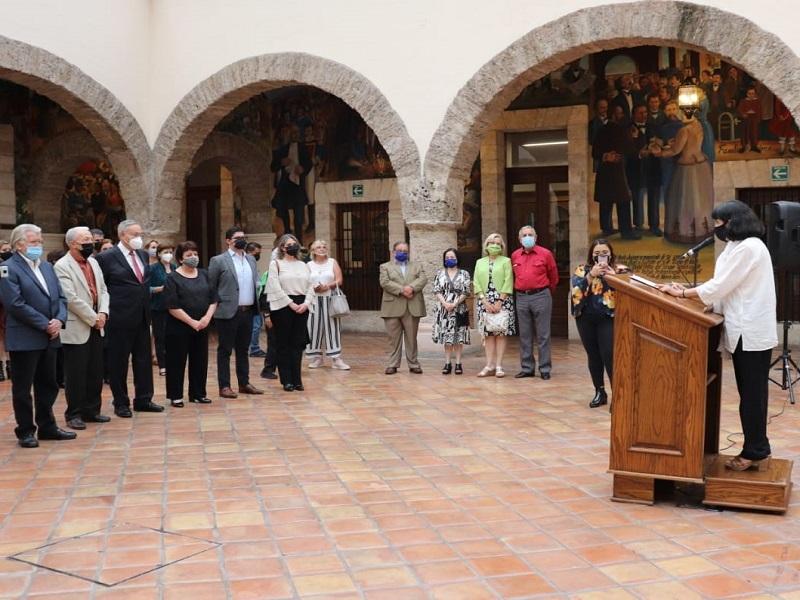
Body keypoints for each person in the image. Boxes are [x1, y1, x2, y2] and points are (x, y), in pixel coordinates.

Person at [658, 200, 777, 471]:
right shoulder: (736, 247)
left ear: (734, 222)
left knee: (752, 395)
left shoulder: (750, 247)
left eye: (719, 223)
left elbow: (721, 285)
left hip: (751, 332)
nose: (716, 228)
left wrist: (684, 293)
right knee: (749, 393)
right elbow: (725, 289)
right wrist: (698, 298)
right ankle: (756, 447)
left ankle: (756, 450)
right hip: (741, 330)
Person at [0, 224, 74, 447]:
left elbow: (61, 297)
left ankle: (47, 426)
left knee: (48, 384)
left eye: (40, 242)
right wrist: (45, 324)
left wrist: (59, 320)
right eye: (34, 242)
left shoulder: (47, 268)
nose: (39, 246)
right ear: (19, 244)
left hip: (50, 336)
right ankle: (25, 430)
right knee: (23, 388)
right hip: (25, 336)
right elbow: (15, 304)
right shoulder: (7, 268)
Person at [95, 219, 164, 417]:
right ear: (122, 235)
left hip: (142, 316)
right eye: (134, 235)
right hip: (118, 317)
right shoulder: (107, 258)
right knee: (119, 362)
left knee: (143, 360)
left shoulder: (142, 255)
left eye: (140, 234)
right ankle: (121, 402)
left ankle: (144, 399)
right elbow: (102, 288)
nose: (138, 239)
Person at [54, 226, 110, 429]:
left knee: (96, 371)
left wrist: (103, 313)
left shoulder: (94, 262)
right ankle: (74, 413)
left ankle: (92, 410)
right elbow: (70, 298)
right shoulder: (62, 266)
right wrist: (93, 317)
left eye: (90, 240)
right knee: (76, 373)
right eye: (84, 240)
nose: (90, 244)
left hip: (97, 322)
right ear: (71, 244)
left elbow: (103, 290)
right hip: (79, 325)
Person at [208, 227, 263, 398]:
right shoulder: (218, 260)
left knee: (243, 349)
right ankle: (224, 386)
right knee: (225, 350)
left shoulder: (251, 260)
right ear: (228, 241)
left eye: (243, 237)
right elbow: (211, 286)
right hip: (227, 311)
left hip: (247, 311)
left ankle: (244, 383)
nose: (241, 240)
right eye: (237, 237)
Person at [571, 240, 624, 408]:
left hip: (608, 318)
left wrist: (613, 277)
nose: (601, 256)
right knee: (593, 355)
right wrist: (591, 275)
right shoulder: (582, 270)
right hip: (586, 318)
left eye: (604, 252)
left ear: (611, 254)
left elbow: (630, 289)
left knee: (609, 354)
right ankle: (599, 391)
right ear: (591, 255)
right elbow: (576, 292)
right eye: (597, 253)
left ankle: (619, 394)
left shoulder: (620, 270)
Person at [164, 241, 217, 407]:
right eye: (189, 255)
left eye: (195, 254)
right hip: (179, 327)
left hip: (202, 325)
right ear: (180, 259)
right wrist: (191, 321)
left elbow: (213, 298)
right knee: (176, 361)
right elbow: (172, 306)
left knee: (200, 360)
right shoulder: (172, 278)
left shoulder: (204, 274)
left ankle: (198, 393)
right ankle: (176, 396)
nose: (193, 257)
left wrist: (206, 318)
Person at [651, 105, 714, 244]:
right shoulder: (698, 125)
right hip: (701, 164)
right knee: (700, 201)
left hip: (687, 168)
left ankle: (686, 234)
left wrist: (658, 153)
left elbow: (675, 151)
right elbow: (690, 144)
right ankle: (702, 232)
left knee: (685, 202)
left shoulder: (684, 130)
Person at [266, 234, 315, 391]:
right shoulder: (276, 264)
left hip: (302, 306)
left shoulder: (304, 265)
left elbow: (311, 286)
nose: (292, 246)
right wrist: (291, 304)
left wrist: (306, 303)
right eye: (289, 244)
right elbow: (274, 285)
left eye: (295, 244)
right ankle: (286, 380)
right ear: (282, 247)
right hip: (283, 306)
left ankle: (297, 379)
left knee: (297, 344)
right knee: (283, 344)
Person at [511, 226, 558, 380]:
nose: (527, 237)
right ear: (520, 239)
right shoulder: (515, 255)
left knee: (543, 335)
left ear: (536, 237)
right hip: (522, 297)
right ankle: (527, 368)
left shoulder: (545, 254)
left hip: (541, 296)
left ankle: (544, 368)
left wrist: (546, 292)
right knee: (525, 334)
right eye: (524, 235)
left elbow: (554, 276)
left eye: (530, 234)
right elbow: (513, 276)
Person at [379, 241, 427, 375]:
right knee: (393, 339)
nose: (402, 253)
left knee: (412, 338)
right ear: (393, 252)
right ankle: (392, 364)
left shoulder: (417, 266)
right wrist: (402, 290)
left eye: (405, 251)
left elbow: (423, 279)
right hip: (392, 307)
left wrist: (411, 288)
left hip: (412, 306)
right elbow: (384, 282)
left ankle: (414, 364)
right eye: (399, 250)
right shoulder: (385, 267)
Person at [592, 104, 640, 240]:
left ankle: (607, 229)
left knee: (607, 200)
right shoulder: (621, 130)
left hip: (607, 170)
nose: (621, 116)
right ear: (613, 115)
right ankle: (625, 231)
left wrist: (605, 156)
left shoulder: (602, 130)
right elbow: (630, 150)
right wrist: (634, 138)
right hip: (617, 170)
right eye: (619, 114)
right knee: (622, 200)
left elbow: (595, 152)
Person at [473, 233, 515, 378]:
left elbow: (508, 281)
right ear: (487, 245)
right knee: (488, 334)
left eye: (497, 243)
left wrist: (499, 302)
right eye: (491, 243)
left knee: (500, 333)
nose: (494, 245)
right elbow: (476, 282)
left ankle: (498, 366)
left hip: (502, 301)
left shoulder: (506, 261)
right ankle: (489, 364)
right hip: (484, 301)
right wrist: (484, 301)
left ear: (501, 246)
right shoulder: (480, 262)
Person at [305, 239, 349, 370]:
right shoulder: (308, 265)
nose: (322, 249)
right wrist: (315, 287)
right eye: (319, 247)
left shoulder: (332, 262)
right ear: (313, 250)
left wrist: (327, 286)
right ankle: (317, 358)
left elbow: (339, 280)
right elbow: (305, 281)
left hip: (330, 299)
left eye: (324, 246)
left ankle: (336, 359)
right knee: (313, 328)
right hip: (313, 300)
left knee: (333, 328)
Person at [431, 247, 471, 375]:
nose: (450, 259)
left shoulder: (464, 273)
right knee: (447, 338)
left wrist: (454, 303)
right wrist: (445, 304)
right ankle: (447, 363)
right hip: (444, 311)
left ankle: (458, 363)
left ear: (457, 258)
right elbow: (436, 290)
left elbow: (466, 291)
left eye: (452, 257)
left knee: (458, 338)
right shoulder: (439, 273)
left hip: (459, 309)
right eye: (447, 258)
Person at [271, 126, 312, 235]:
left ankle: (299, 239)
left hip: (298, 184)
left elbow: (309, 164)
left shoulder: (303, 149)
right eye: (292, 133)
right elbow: (272, 167)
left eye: (296, 132)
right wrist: (281, 162)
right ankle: (287, 233)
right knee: (283, 211)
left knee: (298, 215)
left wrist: (303, 169)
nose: (294, 135)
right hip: (285, 185)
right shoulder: (282, 150)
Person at [149, 243, 175, 376]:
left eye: (170, 251)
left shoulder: (174, 267)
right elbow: (146, 288)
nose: (168, 254)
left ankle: (171, 363)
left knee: (172, 337)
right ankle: (162, 365)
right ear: (159, 254)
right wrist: (160, 289)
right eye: (166, 252)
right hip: (158, 308)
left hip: (173, 307)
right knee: (160, 337)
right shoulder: (153, 269)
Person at [246, 242, 266, 358]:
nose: (258, 256)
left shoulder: (250, 262)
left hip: (254, 299)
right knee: (256, 325)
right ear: (249, 252)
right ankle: (253, 348)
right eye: (256, 253)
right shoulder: (249, 260)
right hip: (253, 299)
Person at [0, 240, 12, 382]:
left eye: (9, 249)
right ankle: (1, 368)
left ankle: (10, 366)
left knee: (7, 336)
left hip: (7, 304)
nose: (8, 252)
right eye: (4, 250)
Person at [737, 86, 762, 153]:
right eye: (749, 93)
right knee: (745, 133)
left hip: (754, 119)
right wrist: (743, 114)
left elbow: (759, 110)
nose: (751, 95)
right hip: (746, 119)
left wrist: (758, 118)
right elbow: (740, 109)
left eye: (752, 93)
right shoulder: (743, 101)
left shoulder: (757, 101)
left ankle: (754, 146)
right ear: (747, 94)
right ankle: (744, 146)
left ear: (755, 94)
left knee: (754, 133)